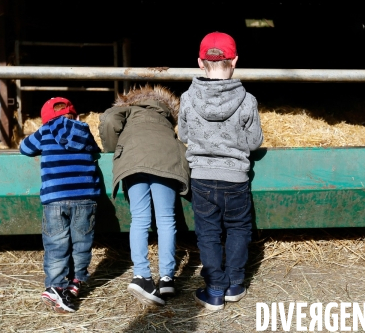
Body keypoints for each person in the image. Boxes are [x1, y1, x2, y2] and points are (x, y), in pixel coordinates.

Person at [178, 32, 263, 310]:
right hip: (235, 178)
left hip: (202, 176)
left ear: (200, 63)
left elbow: (184, 134)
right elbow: (253, 142)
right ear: (235, 61)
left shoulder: (188, 98)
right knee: (238, 228)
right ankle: (235, 284)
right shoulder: (248, 100)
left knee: (208, 233)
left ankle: (214, 289)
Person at [98, 84, 190, 307]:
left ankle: (142, 276)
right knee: (167, 219)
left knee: (139, 219)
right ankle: (167, 278)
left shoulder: (128, 110)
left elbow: (109, 120)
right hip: (165, 160)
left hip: (134, 159)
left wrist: (113, 148)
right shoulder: (166, 115)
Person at [20, 97, 101, 313]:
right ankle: (76, 282)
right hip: (85, 197)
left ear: (46, 119)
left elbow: (24, 148)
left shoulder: (44, 132)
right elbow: (96, 150)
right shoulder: (84, 131)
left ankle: (56, 286)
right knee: (82, 243)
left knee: (57, 244)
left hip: (55, 197)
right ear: (75, 115)